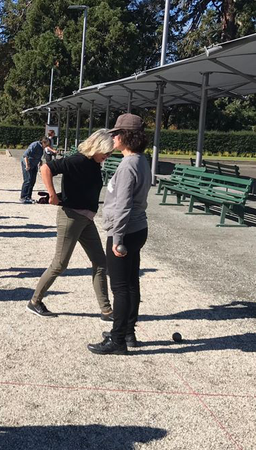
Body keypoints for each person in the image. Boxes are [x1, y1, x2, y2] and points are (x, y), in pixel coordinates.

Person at [26, 129, 114, 321]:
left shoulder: (93, 163)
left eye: (110, 153)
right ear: (97, 147)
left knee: (100, 262)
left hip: (86, 219)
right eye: (106, 152)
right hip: (72, 217)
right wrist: (52, 195)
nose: (107, 156)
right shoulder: (79, 160)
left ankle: (106, 310)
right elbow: (46, 168)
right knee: (60, 264)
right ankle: (35, 301)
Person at [88, 114, 151, 355]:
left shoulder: (128, 165)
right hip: (138, 228)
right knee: (131, 283)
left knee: (121, 287)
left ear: (126, 136)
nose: (113, 137)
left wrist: (118, 238)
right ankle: (127, 331)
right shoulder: (140, 160)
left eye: (116, 133)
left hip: (124, 231)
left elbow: (123, 205)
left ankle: (118, 340)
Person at [20, 137, 49, 203]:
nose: (47, 146)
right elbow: (25, 155)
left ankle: (28, 197)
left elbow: (37, 156)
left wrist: (40, 161)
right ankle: (23, 197)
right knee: (28, 180)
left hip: (34, 164)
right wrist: (27, 165)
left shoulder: (42, 148)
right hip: (27, 163)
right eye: (46, 145)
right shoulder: (35, 145)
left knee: (32, 181)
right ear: (43, 142)